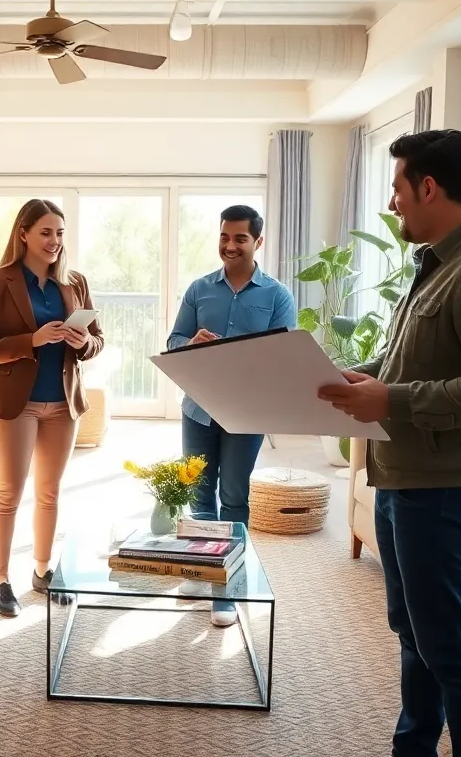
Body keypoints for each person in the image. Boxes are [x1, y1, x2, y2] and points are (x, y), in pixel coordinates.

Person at [317, 129, 461, 757]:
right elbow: (413, 356)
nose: (392, 204)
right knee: (414, 634)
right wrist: (367, 374)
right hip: (404, 478)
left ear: (427, 186)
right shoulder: (440, 263)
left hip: (448, 489)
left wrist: (391, 400)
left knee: (449, 650)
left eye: (397, 188)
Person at [0, 199, 104, 618]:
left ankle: (42, 570)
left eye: (60, 233)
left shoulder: (74, 282)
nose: (54, 241)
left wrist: (84, 345)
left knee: (49, 492)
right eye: (46, 232)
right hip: (16, 404)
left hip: (63, 403)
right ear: (23, 233)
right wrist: (31, 340)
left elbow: (98, 339)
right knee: (10, 493)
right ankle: (0, 579)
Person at [166, 204, 295, 628]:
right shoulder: (199, 289)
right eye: (225, 237)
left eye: (240, 238)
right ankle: (202, 572)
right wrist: (192, 343)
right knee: (200, 496)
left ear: (257, 242)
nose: (230, 245)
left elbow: (283, 357)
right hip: (198, 410)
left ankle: (228, 587)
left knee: (234, 499)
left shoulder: (277, 296)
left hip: (246, 413)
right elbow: (174, 340)